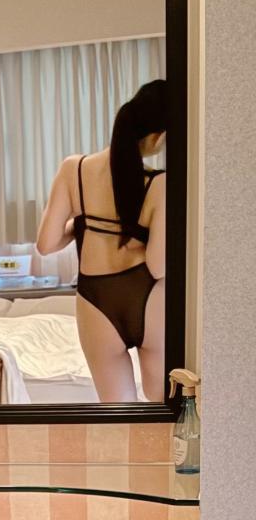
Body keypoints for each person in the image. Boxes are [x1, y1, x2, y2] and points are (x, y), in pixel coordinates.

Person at [36, 80, 166, 403]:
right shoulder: (160, 183)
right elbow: (158, 265)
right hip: (148, 297)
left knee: (118, 411)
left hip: (95, 300)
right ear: (158, 137)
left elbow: (46, 244)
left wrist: (84, 225)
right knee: (163, 403)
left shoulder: (73, 169)